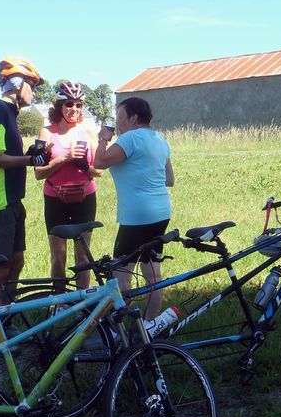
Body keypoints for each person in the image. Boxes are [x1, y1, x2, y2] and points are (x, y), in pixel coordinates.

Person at [0, 57, 50, 300]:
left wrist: (28, 155)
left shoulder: (9, 113)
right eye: (33, 85)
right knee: (0, 268)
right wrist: (30, 161)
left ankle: (5, 319)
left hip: (12, 201)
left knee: (16, 262)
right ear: (17, 84)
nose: (35, 92)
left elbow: (3, 155)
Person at [93, 97, 175, 320]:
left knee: (121, 274)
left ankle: (117, 330)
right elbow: (170, 179)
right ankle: (150, 324)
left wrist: (102, 139)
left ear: (134, 117)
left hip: (135, 217)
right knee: (153, 272)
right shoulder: (160, 140)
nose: (117, 123)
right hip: (161, 212)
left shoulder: (129, 139)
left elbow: (98, 162)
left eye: (120, 117)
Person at [34, 81, 101, 288]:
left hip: (85, 198)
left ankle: (83, 305)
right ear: (59, 106)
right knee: (58, 256)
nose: (74, 109)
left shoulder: (88, 131)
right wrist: (65, 158)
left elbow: (98, 171)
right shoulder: (46, 132)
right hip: (55, 199)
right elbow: (38, 173)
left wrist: (83, 166)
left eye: (78, 105)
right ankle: (59, 301)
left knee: (83, 258)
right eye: (69, 104)